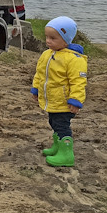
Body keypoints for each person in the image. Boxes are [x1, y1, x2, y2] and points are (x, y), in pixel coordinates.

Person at [31, 16, 88, 167]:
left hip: (64, 101)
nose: (48, 41)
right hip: (52, 99)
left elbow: (78, 81)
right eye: (47, 37)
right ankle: (58, 146)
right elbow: (40, 73)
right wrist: (36, 89)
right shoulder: (47, 54)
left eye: (53, 38)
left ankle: (67, 154)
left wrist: (76, 100)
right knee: (53, 122)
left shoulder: (74, 59)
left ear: (66, 40)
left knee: (62, 125)